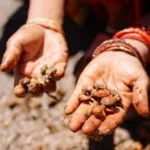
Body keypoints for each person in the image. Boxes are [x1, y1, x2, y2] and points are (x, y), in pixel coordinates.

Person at [0, 0, 150, 144]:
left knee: (138, 98)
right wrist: (45, 19)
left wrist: (134, 44)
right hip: (89, 9)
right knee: (11, 45)